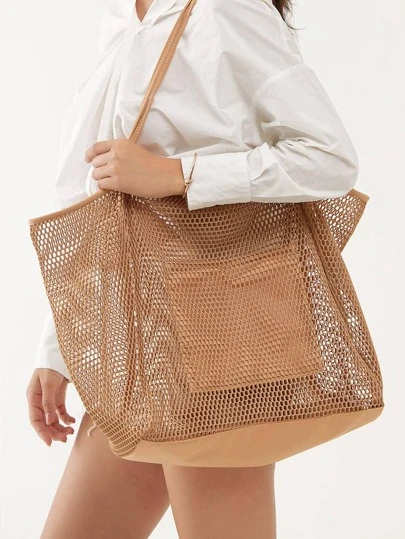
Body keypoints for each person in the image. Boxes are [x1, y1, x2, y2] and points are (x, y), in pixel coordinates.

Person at [26, 0, 359, 537]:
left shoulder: (227, 9)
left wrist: (178, 174)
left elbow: (331, 157)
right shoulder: (125, 16)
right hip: (139, 350)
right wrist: (59, 347)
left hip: (224, 339)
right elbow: (101, 206)